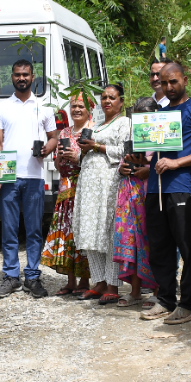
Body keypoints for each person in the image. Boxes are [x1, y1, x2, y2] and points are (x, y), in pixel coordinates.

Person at [143, 61, 191, 324]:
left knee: (186, 245)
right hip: (154, 186)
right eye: (164, 82)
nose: (169, 87)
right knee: (159, 246)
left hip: (181, 186)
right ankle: (165, 298)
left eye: (173, 81)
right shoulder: (158, 114)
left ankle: (189, 302)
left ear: (185, 79)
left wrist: (176, 163)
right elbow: (150, 149)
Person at [0, 60, 58, 299]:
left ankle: (32, 276)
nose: (22, 78)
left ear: (33, 77)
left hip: (34, 177)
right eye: (18, 74)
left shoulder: (43, 106)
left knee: (33, 231)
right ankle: (11, 276)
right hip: (8, 176)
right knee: (8, 230)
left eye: (25, 74)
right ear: (12, 77)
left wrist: (46, 150)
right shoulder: (1, 108)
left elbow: (53, 137)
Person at [71, 84, 130, 304]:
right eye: (104, 97)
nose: (107, 101)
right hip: (89, 185)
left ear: (120, 102)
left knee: (108, 231)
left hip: (109, 183)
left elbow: (126, 150)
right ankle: (99, 282)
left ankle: (113, 285)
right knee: (91, 230)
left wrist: (97, 147)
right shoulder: (95, 126)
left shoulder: (124, 123)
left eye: (112, 98)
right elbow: (87, 152)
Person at [42, 94, 91, 295]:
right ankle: (71, 281)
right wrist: (60, 157)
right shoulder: (64, 133)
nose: (77, 109)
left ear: (89, 108)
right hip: (65, 187)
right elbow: (56, 164)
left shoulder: (92, 131)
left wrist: (78, 157)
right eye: (73, 106)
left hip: (83, 186)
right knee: (66, 233)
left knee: (82, 233)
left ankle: (85, 282)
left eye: (81, 106)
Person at [114, 97, 156, 307]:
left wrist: (147, 165)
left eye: (145, 117)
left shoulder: (159, 134)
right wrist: (122, 167)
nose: (142, 122)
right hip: (131, 194)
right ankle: (135, 291)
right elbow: (126, 159)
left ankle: (158, 291)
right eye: (137, 118)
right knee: (134, 241)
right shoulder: (133, 136)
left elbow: (163, 159)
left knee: (153, 241)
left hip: (151, 191)